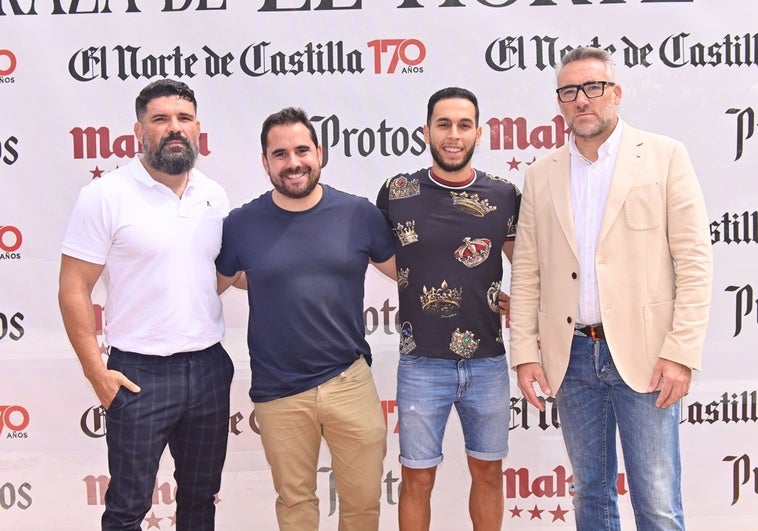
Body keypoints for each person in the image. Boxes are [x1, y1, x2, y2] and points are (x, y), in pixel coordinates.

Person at [509, 46, 713, 530]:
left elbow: (695, 261)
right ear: (559, 102)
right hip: (573, 357)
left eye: (593, 87)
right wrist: (524, 352)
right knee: (591, 499)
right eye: (569, 91)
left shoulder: (665, 156)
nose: (582, 100)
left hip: (647, 357)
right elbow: (527, 270)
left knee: (657, 503)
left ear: (616, 93)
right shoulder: (541, 174)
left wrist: (681, 352)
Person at [58, 79, 234, 531]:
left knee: (200, 501)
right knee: (126, 509)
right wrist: (96, 373)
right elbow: (73, 288)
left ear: (198, 128)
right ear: (139, 131)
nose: (173, 128)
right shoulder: (105, 195)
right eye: (160, 120)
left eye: (183, 118)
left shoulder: (214, 196)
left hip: (210, 368)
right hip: (138, 375)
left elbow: (217, 274)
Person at [215, 107, 396, 531]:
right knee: (296, 506)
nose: (293, 162)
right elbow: (210, 286)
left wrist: (481, 292)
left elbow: (410, 274)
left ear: (320, 152)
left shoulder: (359, 214)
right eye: (280, 154)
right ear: (265, 162)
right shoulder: (241, 224)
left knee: (364, 504)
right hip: (279, 391)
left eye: (301, 150)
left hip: (349, 381)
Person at [376, 87, 521, 531]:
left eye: (463, 125)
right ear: (426, 132)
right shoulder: (397, 191)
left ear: (479, 132)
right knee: (417, 479)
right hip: (421, 363)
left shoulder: (504, 194)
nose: (453, 135)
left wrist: (519, 299)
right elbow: (380, 256)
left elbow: (527, 263)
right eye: (443, 125)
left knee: (489, 473)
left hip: (489, 363)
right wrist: (418, 279)